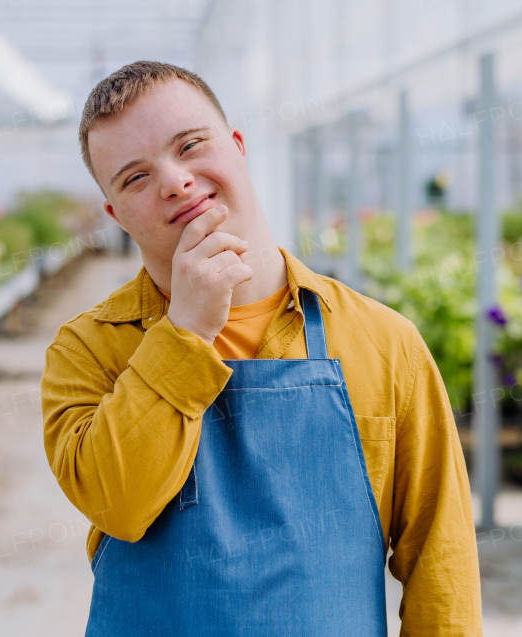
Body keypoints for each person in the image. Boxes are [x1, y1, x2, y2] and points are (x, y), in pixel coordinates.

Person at [42, 61, 482, 636]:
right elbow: (118, 502)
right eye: (135, 178)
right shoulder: (88, 350)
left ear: (239, 147)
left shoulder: (382, 342)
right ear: (115, 214)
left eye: (191, 145)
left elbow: (439, 562)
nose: (174, 181)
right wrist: (186, 334)